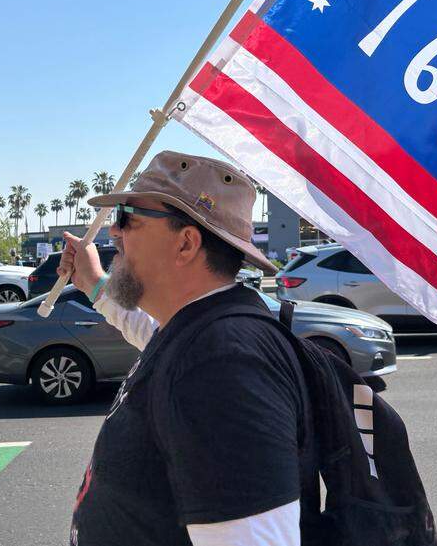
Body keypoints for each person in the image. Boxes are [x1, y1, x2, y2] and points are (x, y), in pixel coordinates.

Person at [61, 151, 310, 546]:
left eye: (127, 217)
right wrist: (93, 284)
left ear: (186, 244)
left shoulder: (223, 365)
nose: (114, 233)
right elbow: (149, 332)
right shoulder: (197, 330)